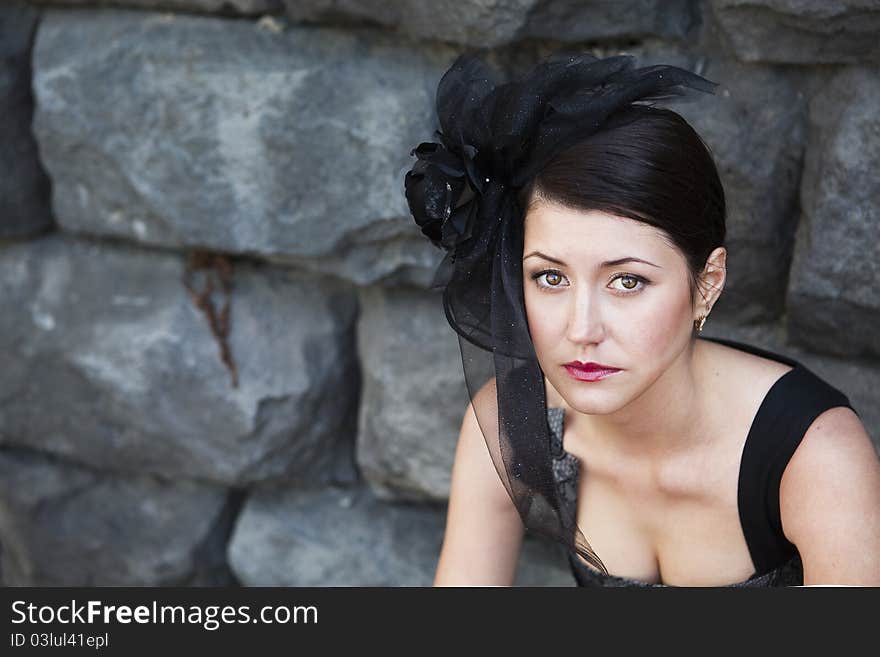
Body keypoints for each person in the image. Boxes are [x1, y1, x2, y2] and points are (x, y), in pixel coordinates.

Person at [403, 50, 880, 586]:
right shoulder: (508, 424)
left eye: (627, 281)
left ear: (707, 284)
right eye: (550, 277)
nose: (581, 329)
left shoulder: (816, 458)